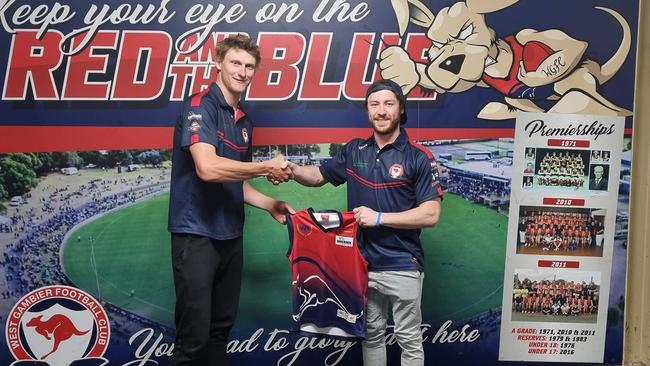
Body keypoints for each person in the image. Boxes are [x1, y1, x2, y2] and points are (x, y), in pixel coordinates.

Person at [287, 79, 443, 365]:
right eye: (374, 105)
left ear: (400, 109)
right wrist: (291, 170)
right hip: (362, 264)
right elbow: (319, 175)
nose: (381, 111)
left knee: (409, 339)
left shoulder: (419, 157)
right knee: (370, 334)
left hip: (402, 265)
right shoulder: (355, 150)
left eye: (388, 104)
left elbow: (430, 214)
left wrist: (379, 218)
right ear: (367, 111)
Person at [167, 34, 294, 366]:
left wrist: (270, 204)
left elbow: (238, 182)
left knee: (220, 331)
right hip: (196, 236)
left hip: (230, 237)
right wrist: (266, 166)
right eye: (235, 63)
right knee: (192, 341)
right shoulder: (200, 104)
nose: (242, 71)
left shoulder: (244, 121)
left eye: (249, 66)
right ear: (219, 63)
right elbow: (208, 168)